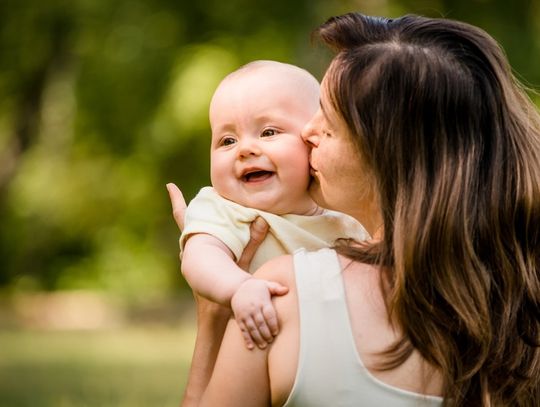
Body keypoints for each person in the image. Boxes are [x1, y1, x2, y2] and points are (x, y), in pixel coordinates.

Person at [170, 12, 540, 406]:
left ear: (382, 152)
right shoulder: (520, 301)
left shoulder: (283, 295)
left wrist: (211, 324)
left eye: (327, 123)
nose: (307, 133)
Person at [167, 60, 368, 406]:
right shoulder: (225, 208)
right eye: (227, 140)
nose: (245, 149)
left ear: (313, 141)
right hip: (247, 362)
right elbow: (199, 258)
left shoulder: (345, 218)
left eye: (269, 132)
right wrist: (238, 287)